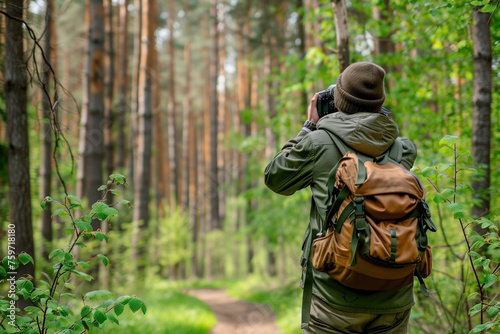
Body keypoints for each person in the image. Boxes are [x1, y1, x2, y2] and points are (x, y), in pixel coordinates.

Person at [264, 62, 418, 334]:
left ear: (339, 101)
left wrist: (309, 126)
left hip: (334, 296)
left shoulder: (317, 143)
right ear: (378, 103)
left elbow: (276, 178)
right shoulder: (401, 148)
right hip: (394, 297)